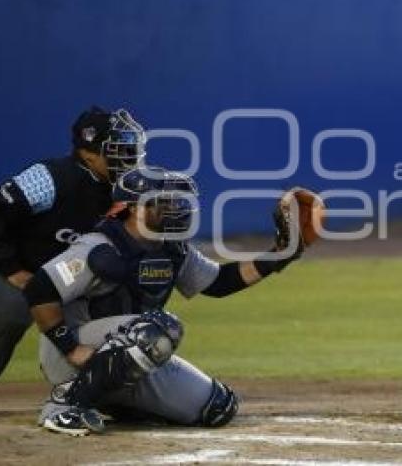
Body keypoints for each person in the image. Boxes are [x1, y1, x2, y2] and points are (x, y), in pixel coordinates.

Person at [22, 165, 324, 436]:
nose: (177, 209)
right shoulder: (99, 247)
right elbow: (39, 289)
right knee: (159, 330)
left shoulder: (173, 249)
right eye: (165, 202)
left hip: (131, 350)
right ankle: (65, 405)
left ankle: (116, 401)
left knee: (218, 407)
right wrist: (71, 348)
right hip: (71, 352)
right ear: (134, 207)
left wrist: (280, 253)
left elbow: (220, 282)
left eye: (180, 202)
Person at [0, 107, 145, 381]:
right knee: (13, 311)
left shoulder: (125, 189)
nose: (129, 158)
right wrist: (11, 268)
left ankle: (96, 388)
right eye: (118, 151)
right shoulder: (49, 177)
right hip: (8, 263)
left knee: (121, 299)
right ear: (88, 154)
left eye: (129, 149)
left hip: (58, 279)